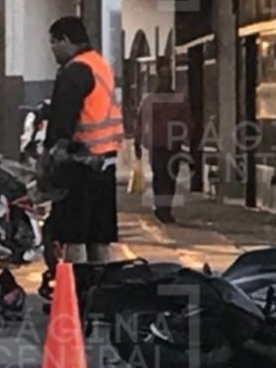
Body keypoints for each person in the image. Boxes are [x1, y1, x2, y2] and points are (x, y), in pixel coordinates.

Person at [42, 16, 123, 264]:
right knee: (99, 235)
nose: (52, 50)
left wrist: (50, 154)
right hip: (105, 160)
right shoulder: (100, 64)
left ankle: (76, 282)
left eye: (54, 43)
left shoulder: (75, 70)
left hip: (79, 162)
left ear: (66, 40)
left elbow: (62, 119)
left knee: (73, 235)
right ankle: (104, 282)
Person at [134, 64, 194, 224]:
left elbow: (186, 121)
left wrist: (189, 140)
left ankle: (164, 208)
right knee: (161, 176)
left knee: (169, 177)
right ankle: (162, 208)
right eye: (164, 77)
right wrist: (137, 141)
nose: (166, 81)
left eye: (168, 78)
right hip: (157, 144)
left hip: (172, 144)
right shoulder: (150, 100)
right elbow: (141, 121)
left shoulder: (177, 100)